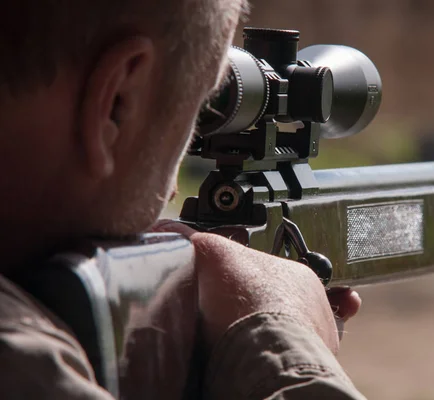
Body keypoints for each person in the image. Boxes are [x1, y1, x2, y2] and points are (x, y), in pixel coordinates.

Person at [0, 0, 366, 399]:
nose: (173, 189)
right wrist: (283, 350)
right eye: (200, 106)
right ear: (119, 99)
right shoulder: (18, 350)